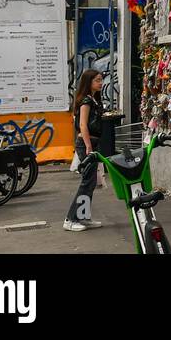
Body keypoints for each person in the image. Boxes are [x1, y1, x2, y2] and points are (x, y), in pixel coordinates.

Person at [64, 69, 105, 231]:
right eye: (97, 80)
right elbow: (82, 125)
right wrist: (88, 146)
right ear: (89, 82)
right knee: (87, 181)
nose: (101, 83)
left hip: (93, 143)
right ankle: (71, 219)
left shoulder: (94, 100)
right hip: (86, 143)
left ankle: (83, 217)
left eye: (101, 80)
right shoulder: (86, 101)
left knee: (91, 182)